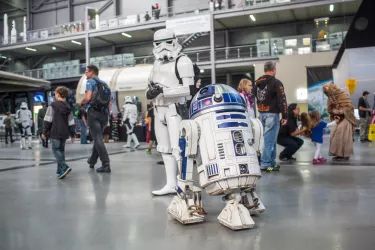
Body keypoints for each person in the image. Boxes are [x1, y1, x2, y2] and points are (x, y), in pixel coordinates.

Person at [254, 61, 287, 172]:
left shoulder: (257, 82)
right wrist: (285, 115)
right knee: (269, 141)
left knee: (270, 140)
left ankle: (271, 162)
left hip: (261, 114)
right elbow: (281, 100)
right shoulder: (276, 82)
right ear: (273, 69)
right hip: (272, 115)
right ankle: (265, 163)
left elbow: (254, 96)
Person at [80, 65, 111, 173]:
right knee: (98, 138)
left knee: (97, 138)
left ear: (92, 72)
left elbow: (88, 97)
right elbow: (110, 102)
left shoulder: (90, 82)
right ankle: (92, 160)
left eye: (86, 72)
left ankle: (106, 164)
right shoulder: (105, 84)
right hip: (104, 114)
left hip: (93, 113)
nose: (85, 74)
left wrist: (81, 102)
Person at [42, 86, 75, 179]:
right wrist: (73, 134)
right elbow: (71, 122)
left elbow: (47, 119)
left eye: (55, 93)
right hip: (64, 133)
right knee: (61, 151)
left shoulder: (53, 105)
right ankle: (60, 171)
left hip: (55, 132)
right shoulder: (68, 107)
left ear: (58, 94)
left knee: (56, 150)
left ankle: (64, 166)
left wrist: (44, 132)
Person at [323, 82, 356, 161]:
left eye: (328, 91)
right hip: (336, 119)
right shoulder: (330, 98)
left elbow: (349, 107)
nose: (327, 93)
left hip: (346, 118)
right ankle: (338, 154)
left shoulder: (342, 95)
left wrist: (341, 111)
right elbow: (329, 109)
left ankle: (345, 155)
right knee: (333, 133)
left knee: (341, 134)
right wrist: (332, 111)